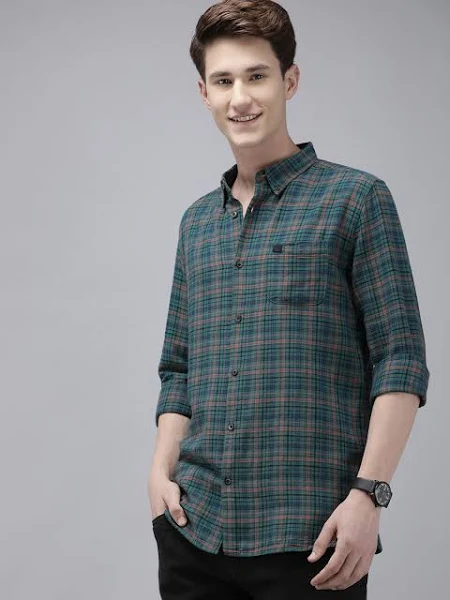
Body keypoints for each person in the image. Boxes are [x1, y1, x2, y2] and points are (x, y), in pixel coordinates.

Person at [147, 1, 430, 598]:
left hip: (313, 538)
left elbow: (400, 361)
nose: (240, 98)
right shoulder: (196, 223)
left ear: (289, 80)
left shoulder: (356, 200)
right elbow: (178, 368)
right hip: (195, 532)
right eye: (223, 81)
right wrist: (159, 476)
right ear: (204, 93)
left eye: (256, 75)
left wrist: (369, 496)